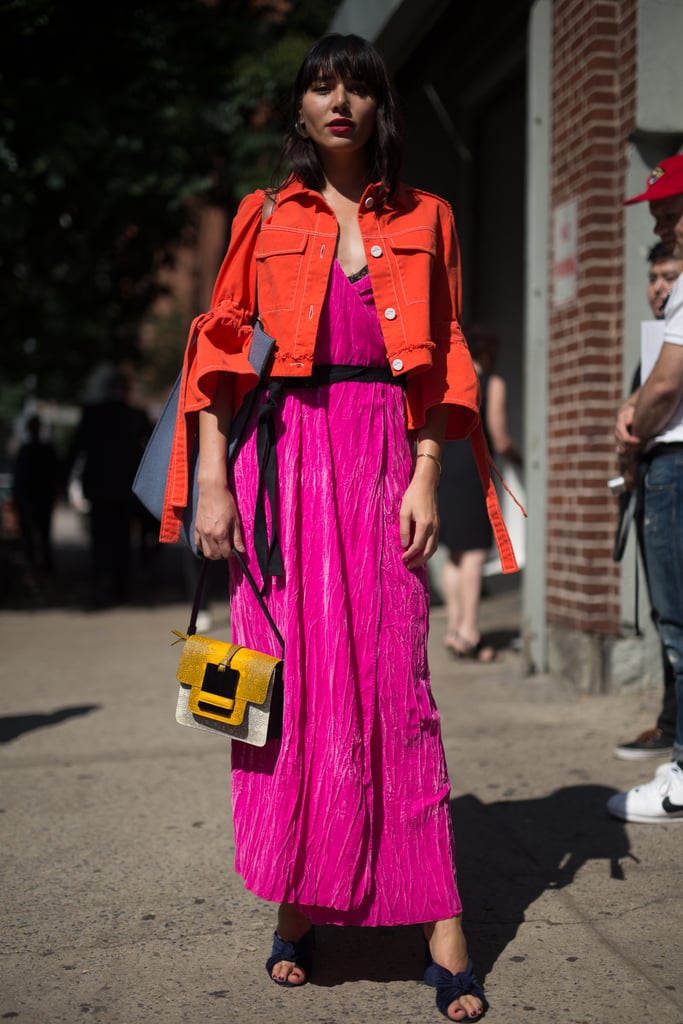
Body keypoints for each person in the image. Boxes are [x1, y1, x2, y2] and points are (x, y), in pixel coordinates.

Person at [160, 34, 519, 1019]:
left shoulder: (429, 217)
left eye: (356, 87)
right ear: (301, 108)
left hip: (380, 464)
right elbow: (219, 354)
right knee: (289, 694)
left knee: (394, 689)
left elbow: (445, 357)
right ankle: (296, 902)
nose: (338, 102)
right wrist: (213, 482)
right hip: (277, 469)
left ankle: (438, 921)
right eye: (320, 86)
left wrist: (426, 473)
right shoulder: (262, 214)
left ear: (377, 109)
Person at [608, 152, 683, 823]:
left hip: (674, 465)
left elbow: (663, 387)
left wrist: (633, 421)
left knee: (678, 625)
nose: (660, 221)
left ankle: (682, 775)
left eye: (670, 207)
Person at [438, 324, 522, 662]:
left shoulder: (448, 380)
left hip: (445, 470)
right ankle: (470, 631)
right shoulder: (492, 382)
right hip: (474, 472)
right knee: (473, 554)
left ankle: (454, 629)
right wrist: (521, 459)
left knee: (454, 554)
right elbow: (499, 437)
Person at [66, 367, 152, 606]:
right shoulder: (136, 416)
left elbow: (76, 450)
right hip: (125, 489)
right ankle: (120, 585)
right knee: (122, 538)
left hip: (99, 487)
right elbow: (150, 453)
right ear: (126, 390)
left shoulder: (92, 414)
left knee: (99, 538)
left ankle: (100, 582)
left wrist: (63, 479)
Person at [12, 412, 60, 574]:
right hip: (37, 498)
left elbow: (20, 477)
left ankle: (39, 564)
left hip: (35, 498)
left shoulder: (31, 450)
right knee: (39, 534)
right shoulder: (42, 450)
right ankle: (39, 564)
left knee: (37, 534)